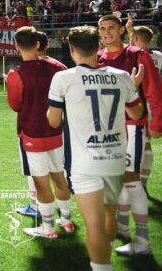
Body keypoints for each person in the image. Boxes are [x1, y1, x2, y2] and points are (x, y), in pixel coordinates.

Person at [47, 26, 144, 271]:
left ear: (71, 50)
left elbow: (53, 121)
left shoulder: (63, 78)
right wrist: (133, 86)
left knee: (94, 224)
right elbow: (137, 112)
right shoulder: (121, 76)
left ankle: (102, 265)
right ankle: (106, 255)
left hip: (85, 162)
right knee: (109, 215)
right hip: (115, 156)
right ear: (98, 47)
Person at [97, 14, 162, 256]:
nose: (106, 33)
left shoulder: (137, 54)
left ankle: (143, 241)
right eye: (102, 29)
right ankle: (123, 228)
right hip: (108, 128)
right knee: (117, 180)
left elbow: (154, 89)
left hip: (133, 125)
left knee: (130, 180)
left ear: (122, 31)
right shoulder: (99, 58)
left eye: (111, 28)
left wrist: (157, 124)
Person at [6, 27, 74, 239]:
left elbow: (15, 105)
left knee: (41, 181)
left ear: (16, 47)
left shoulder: (16, 75)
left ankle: (48, 227)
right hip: (56, 130)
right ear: (38, 44)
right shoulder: (58, 67)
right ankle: (67, 219)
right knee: (59, 176)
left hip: (32, 133)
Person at [127, 24, 161, 189]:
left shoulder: (138, 57)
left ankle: (140, 181)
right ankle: (142, 181)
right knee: (145, 143)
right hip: (154, 102)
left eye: (132, 37)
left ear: (136, 39)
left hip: (141, 103)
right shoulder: (158, 56)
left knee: (142, 143)